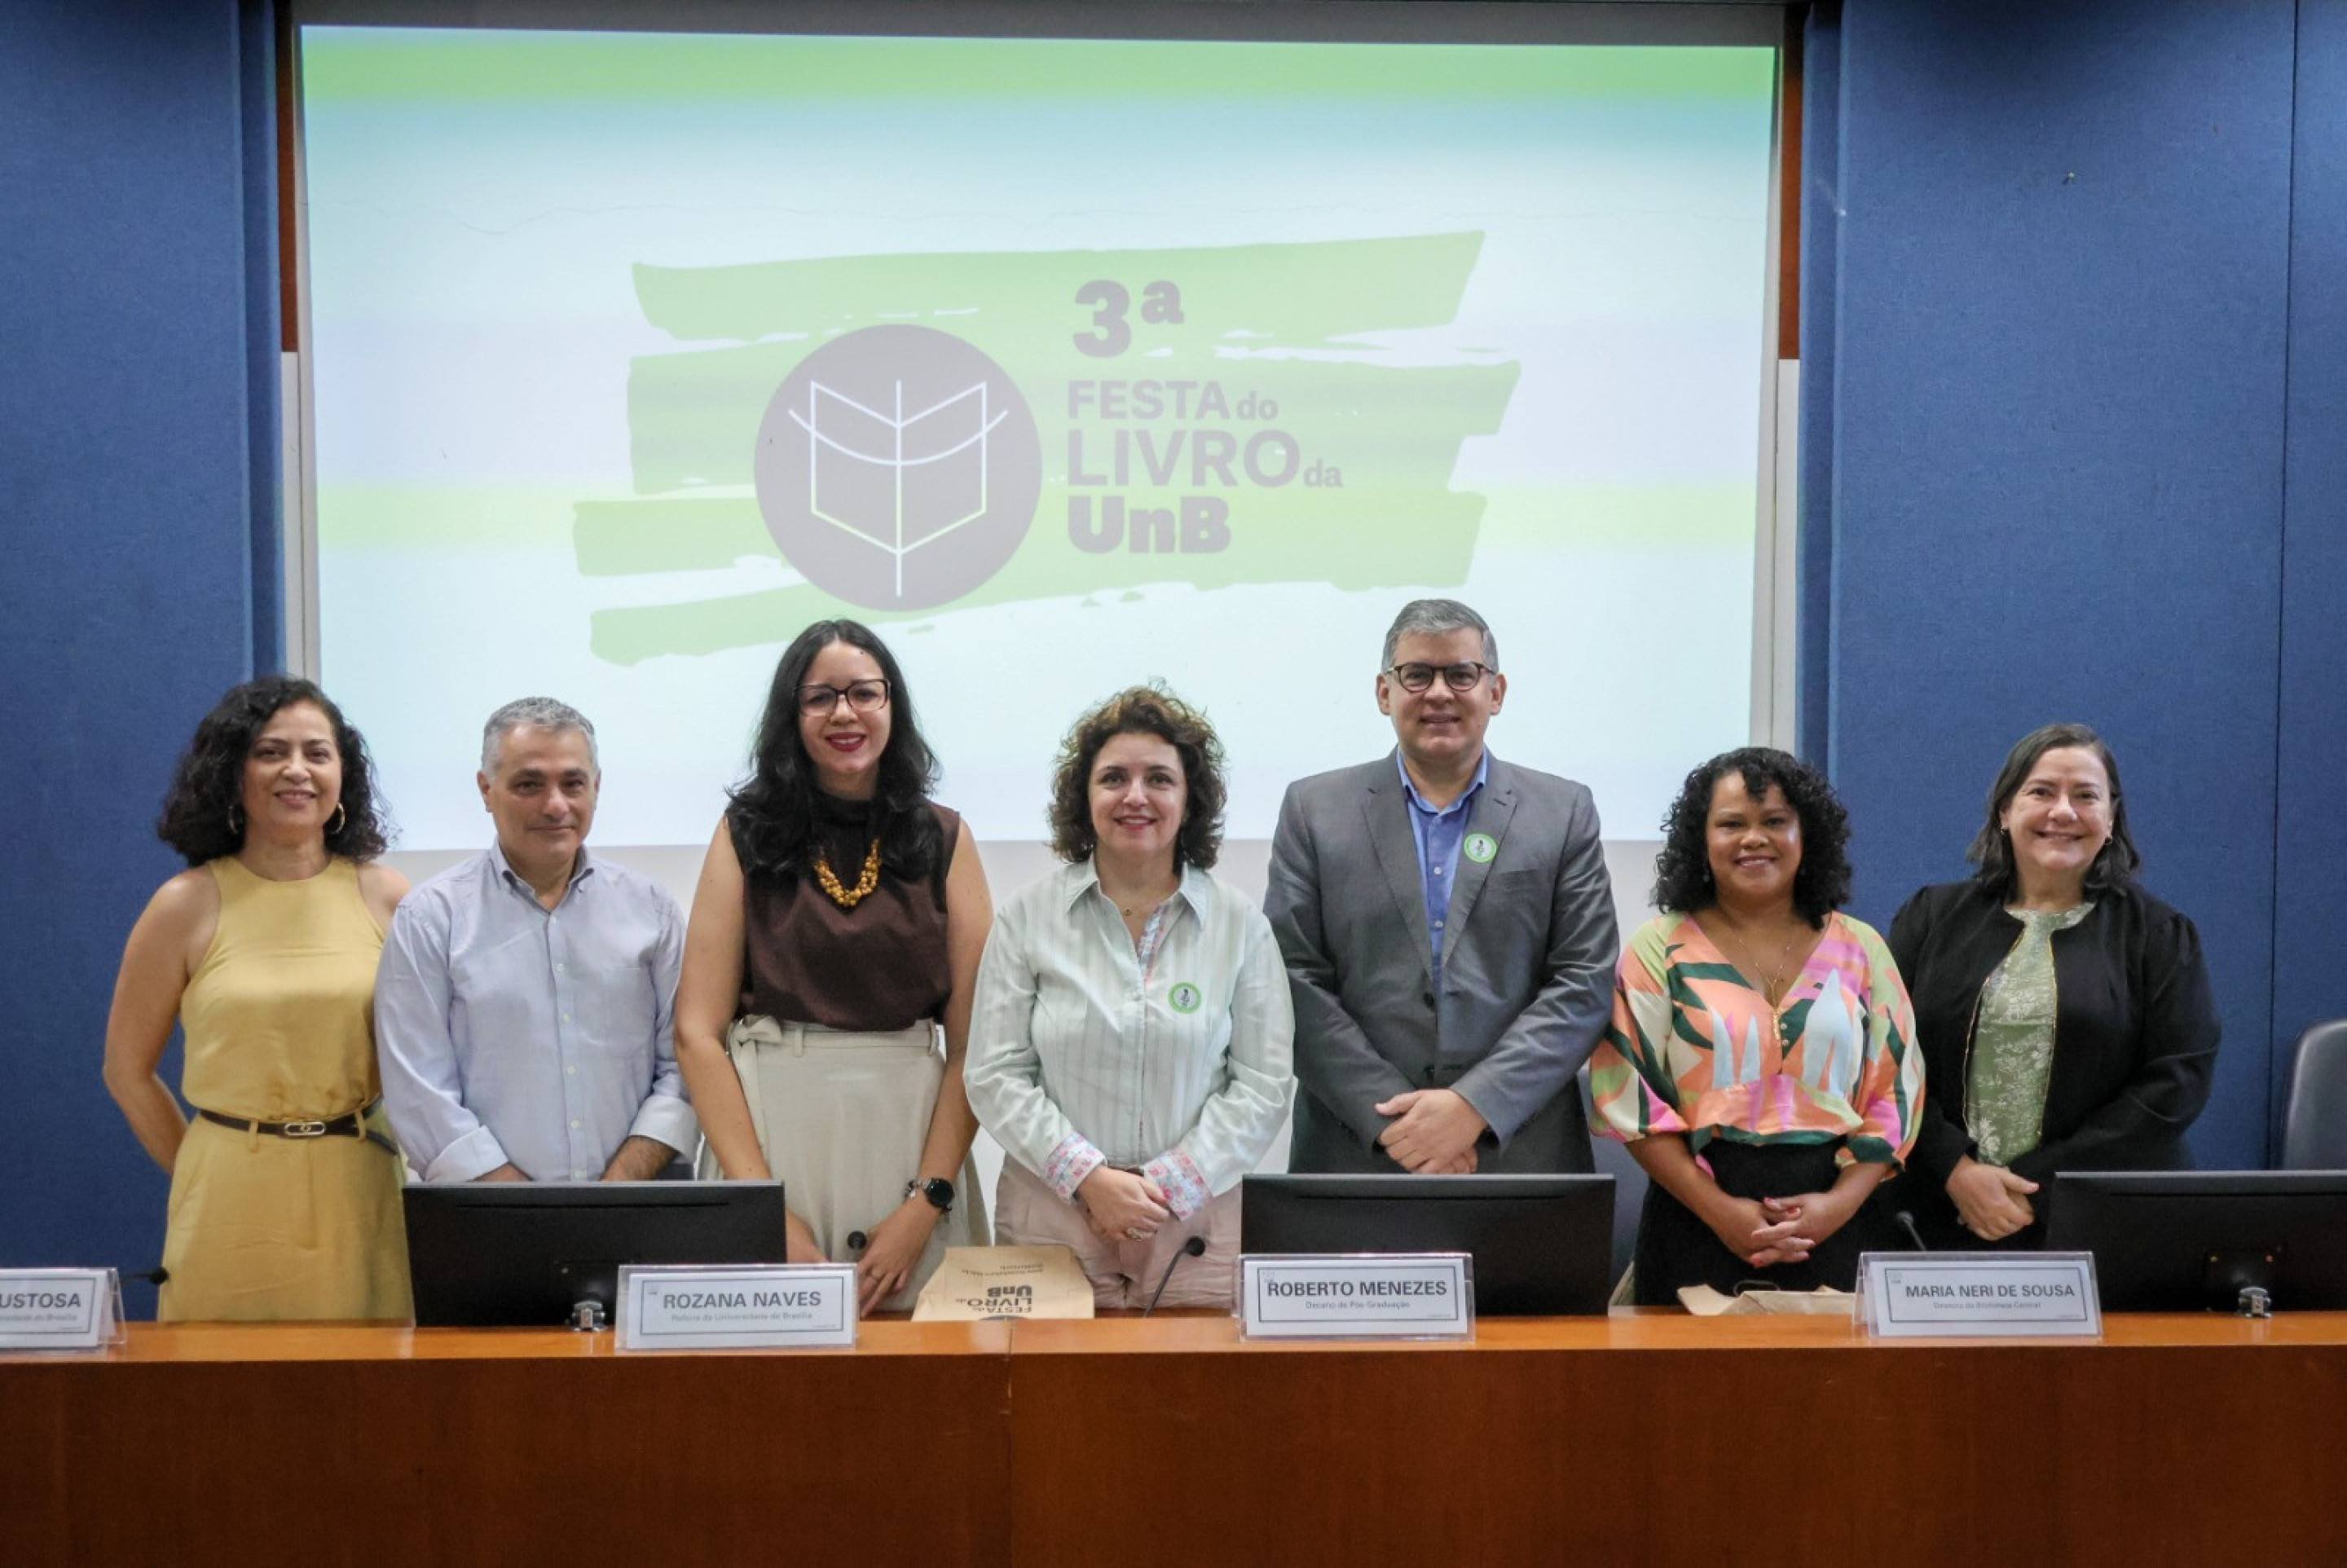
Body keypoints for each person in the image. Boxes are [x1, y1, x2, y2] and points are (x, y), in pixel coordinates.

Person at [676, 621, 991, 1315]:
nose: (844, 713)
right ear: (791, 716)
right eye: (820, 697)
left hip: (909, 1141)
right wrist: (761, 1205)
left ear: (892, 707)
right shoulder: (743, 834)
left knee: (927, 1387)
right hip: (772, 1139)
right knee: (768, 1380)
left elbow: (976, 1046)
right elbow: (697, 1033)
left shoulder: (945, 838)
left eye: (863, 694)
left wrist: (925, 1206)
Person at [966, 685, 1292, 1310]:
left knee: (1192, 1406)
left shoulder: (1239, 924)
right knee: (1048, 1407)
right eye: (1113, 778)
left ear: (1188, 799)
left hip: (1198, 1225)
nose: (1135, 796)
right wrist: (1088, 1178)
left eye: (1159, 779)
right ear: (1083, 799)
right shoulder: (1027, 919)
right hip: (1052, 1219)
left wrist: (1167, 1187)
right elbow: (994, 1074)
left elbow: (1264, 1083)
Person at [1266, 598, 1616, 1176]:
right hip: (1358, 1151)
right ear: (1385, 692)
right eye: (1417, 674)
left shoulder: (1563, 812)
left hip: (1515, 1151)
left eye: (1461, 674)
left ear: (1496, 692)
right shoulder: (1313, 810)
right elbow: (1290, 979)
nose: (1438, 693)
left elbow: (1583, 981)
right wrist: (1398, 1125)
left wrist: (1474, 1106)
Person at [101, 677, 412, 1321]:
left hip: (363, 1190)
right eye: (271, 751)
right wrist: (198, 1164)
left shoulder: (388, 897)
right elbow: (126, 1071)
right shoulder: (185, 904)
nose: (296, 770)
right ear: (231, 772)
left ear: (342, 776)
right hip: (228, 1197)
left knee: (372, 1407)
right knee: (222, 1406)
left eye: (317, 753)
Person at [1590, 747, 1922, 1304]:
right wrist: (1720, 1213)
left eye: (1774, 822)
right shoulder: (1658, 949)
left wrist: (1836, 1206)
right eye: (1731, 824)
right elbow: (1630, 1096)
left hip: (1839, 1218)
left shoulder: (1862, 948)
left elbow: (1896, 1093)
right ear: (1702, 838)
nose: (1753, 839)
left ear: (1806, 835)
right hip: (1697, 1213)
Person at [1888, 722, 2219, 1249]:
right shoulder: (1930, 917)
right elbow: (1883, 1057)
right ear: (2004, 811)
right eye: (2041, 792)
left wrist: (2034, 1187)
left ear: (2111, 820)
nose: (2062, 812)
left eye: (2086, 796)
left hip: (2096, 1218)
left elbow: (2175, 1083)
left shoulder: (2158, 934)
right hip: (1933, 1209)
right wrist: (1955, 1168)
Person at [376, 698, 696, 1184]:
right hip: (486, 1220)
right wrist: (523, 1207)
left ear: (597, 787)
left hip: (638, 1207)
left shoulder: (652, 911)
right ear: (486, 790)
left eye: (573, 783)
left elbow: (685, 1064)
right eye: (529, 784)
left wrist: (618, 1190)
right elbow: (418, 1089)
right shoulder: (430, 919)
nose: (555, 805)